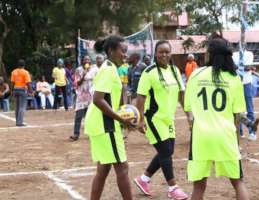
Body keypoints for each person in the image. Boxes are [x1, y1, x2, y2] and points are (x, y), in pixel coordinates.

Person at [184, 38, 249, 200]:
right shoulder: (234, 78)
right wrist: (237, 143)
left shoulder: (195, 75)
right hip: (225, 135)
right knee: (238, 183)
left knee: (198, 186)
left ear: (210, 55)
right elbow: (238, 116)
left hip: (201, 137)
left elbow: (188, 108)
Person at [134, 40, 189, 200]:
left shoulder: (175, 71)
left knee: (168, 151)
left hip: (168, 119)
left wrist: (188, 115)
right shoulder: (149, 72)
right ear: (156, 54)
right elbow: (141, 97)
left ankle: (143, 179)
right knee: (165, 152)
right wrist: (140, 119)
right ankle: (173, 188)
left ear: (170, 53)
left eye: (167, 52)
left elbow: (181, 95)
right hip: (154, 118)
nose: (164, 55)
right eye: (161, 52)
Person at [84, 35, 134, 200]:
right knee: (123, 168)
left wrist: (126, 119)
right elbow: (98, 100)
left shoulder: (110, 67)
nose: (125, 54)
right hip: (106, 126)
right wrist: (121, 120)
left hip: (101, 124)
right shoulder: (108, 69)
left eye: (126, 51)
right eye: (123, 51)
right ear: (111, 51)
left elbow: (110, 99)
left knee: (103, 169)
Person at [70, 55, 99, 141]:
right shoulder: (78, 70)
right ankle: (76, 134)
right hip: (81, 96)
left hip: (91, 96)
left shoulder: (95, 69)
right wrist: (84, 75)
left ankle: (92, 133)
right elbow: (77, 84)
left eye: (89, 60)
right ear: (82, 61)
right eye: (85, 60)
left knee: (91, 116)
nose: (87, 61)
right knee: (78, 115)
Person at [10, 59, 33, 126]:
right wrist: (31, 91)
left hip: (15, 89)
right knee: (22, 107)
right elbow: (28, 83)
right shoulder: (25, 72)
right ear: (24, 65)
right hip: (22, 90)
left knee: (17, 107)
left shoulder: (14, 71)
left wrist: (11, 91)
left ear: (18, 65)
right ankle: (19, 122)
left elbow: (12, 83)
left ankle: (17, 121)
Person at [240, 66, 258, 141]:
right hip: (235, 83)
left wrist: (239, 67)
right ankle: (239, 132)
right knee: (237, 110)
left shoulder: (249, 54)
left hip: (246, 83)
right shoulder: (231, 55)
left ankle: (252, 132)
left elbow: (248, 67)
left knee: (249, 109)